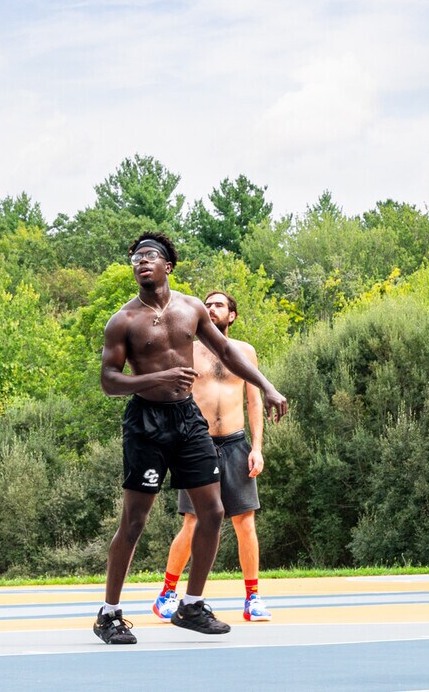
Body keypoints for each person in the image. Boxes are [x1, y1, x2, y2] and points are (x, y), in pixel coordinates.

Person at [95, 234, 286, 646]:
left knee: (214, 512)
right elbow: (109, 382)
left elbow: (229, 352)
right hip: (146, 423)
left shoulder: (190, 308)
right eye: (135, 258)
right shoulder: (123, 320)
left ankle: (192, 605)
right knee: (134, 522)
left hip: (187, 419)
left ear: (169, 265)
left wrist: (268, 387)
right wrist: (156, 378)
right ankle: (109, 614)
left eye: (150, 256)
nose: (141, 262)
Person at [152, 291, 271, 623]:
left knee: (245, 521)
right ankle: (167, 593)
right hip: (196, 444)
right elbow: (174, 396)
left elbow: (254, 401)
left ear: (231, 315)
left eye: (219, 304)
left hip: (236, 444)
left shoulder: (245, 352)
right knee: (193, 522)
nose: (211, 308)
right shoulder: (187, 350)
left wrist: (257, 448)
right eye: (208, 304)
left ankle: (253, 598)